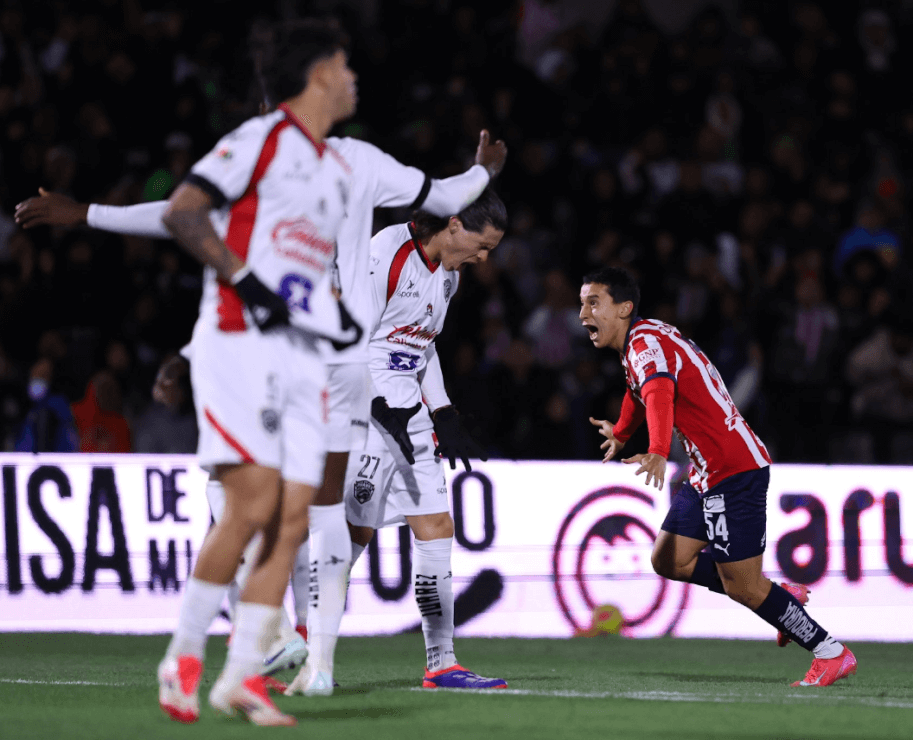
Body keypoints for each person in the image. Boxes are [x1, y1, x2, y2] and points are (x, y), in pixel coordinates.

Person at [15, 88, 507, 698]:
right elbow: (179, 213)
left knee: (305, 514)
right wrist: (89, 214)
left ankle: (306, 659)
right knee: (259, 511)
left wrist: (481, 174)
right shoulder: (281, 174)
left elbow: (443, 201)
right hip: (282, 362)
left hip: (334, 369)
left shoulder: (347, 164)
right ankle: (256, 647)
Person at [153, 19, 363, 726]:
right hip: (240, 346)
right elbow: (184, 213)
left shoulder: (336, 172)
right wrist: (246, 284)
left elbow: (304, 275)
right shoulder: (259, 139)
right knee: (248, 507)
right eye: (345, 64)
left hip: (303, 359)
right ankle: (181, 658)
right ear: (319, 75)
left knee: (291, 520)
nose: (354, 76)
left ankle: (239, 676)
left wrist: (333, 316)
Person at [581, 266, 857, 689]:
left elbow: (657, 392)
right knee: (668, 559)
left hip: (733, 470)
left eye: (593, 303)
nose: (583, 314)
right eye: (583, 303)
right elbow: (640, 391)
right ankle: (777, 596)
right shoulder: (643, 338)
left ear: (624, 308)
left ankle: (830, 652)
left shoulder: (643, 345)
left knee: (745, 588)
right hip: (708, 472)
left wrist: (656, 450)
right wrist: (620, 433)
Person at [327, 187, 509, 692]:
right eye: (482, 243)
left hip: (410, 420)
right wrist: (381, 409)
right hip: (366, 416)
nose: (484, 256)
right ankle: (303, 647)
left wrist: (444, 411)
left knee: (436, 527)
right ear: (453, 225)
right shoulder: (384, 254)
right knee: (352, 536)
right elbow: (348, 344)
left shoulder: (447, 276)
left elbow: (421, 346)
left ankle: (441, 662)